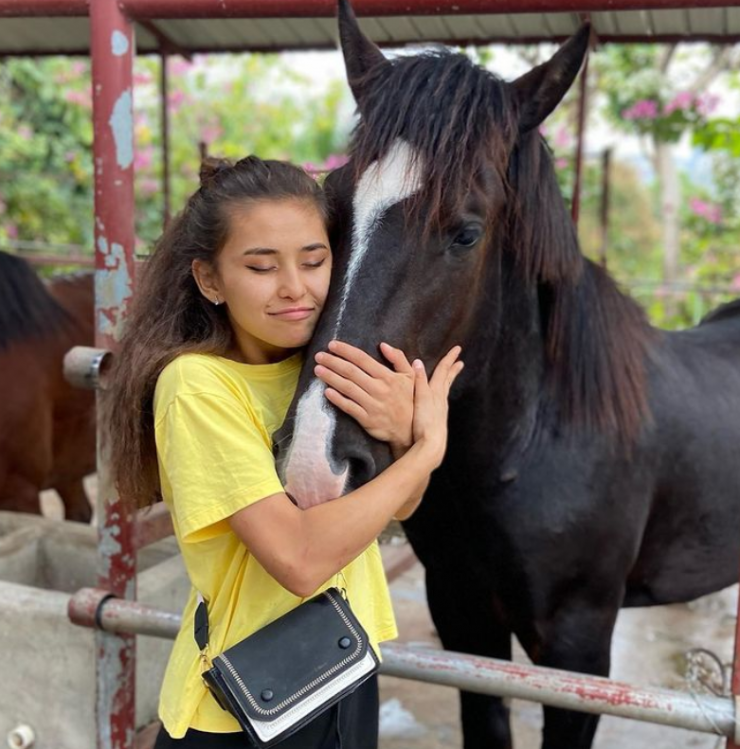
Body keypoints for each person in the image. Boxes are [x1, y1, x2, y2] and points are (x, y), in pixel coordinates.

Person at [103, 155, 463, 749]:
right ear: (210, 281)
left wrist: (402, 439)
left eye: (315, 261)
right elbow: (298, 560)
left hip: (345, 664)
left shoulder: (329, 368)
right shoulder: (197, 386)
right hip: (242, 706)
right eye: (261, 267)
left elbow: (398, 505)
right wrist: (426, 451)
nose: (295, 287)